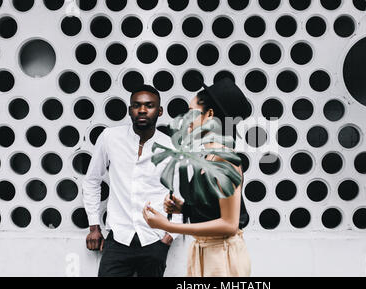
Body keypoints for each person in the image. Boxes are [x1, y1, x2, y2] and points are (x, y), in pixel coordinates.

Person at [143, 78, 252, 277]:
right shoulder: (208, 156)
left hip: (223, 256)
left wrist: (167, 226)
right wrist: (184, 208)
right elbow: (216, 212)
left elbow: (229, 224)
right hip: (205, 251)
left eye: (191, 110)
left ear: (209, 115)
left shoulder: (225, 160)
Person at [82, 84, 182, 277]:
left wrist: (168, 239)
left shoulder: (170, 147)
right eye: (137, 105)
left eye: (149, 105)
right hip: (118, 239)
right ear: (130, 110)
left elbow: (179, 196)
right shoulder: (110, 138)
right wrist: (94, 227)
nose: (142, 110)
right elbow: (92, 180)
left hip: (154, 241)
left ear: (159, 111)